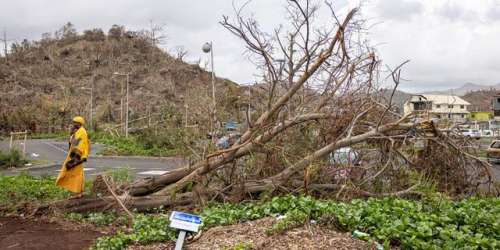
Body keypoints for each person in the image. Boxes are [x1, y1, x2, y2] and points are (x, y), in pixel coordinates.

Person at [56, 116, 90, 198]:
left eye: (74, 123)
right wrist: (71, 134)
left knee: (75, 173)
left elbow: (81, 145)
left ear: (79, 124)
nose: (73, 124)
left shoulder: (82, 132)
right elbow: (73, 142)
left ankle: (78, 193)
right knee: (77, 173)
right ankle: (79, 192)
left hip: (77, 156)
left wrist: (75, 158)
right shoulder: (78, 131)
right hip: (76, 156)